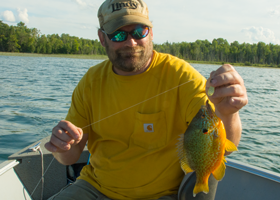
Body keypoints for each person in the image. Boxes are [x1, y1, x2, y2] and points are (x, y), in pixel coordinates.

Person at [45, 0, 248, 199]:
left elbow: (226, 143)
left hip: (161, 195)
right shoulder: (90, 82)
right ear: (102, 38)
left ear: (151, 32)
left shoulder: (182, 76)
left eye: (139, 31)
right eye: (118, 34)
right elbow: (69, 157)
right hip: (95, 188)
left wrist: (228, 112)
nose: (130, 42)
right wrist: (61, 146)